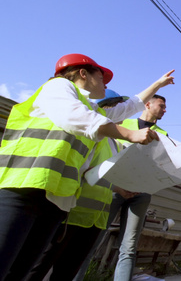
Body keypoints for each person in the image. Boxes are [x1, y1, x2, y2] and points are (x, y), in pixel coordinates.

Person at [0, 53, 174, 281]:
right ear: (83, 73)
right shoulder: (58, 86)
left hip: (56, 200)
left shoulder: (94, 110)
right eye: (102, 78)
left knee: (19, 272)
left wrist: (157, 84)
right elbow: (77, 117)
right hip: (23, 189)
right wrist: (131, 133)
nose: (105, 84)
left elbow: (128, 107)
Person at [26, 90, 134, 281]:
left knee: (66, 273)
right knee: (37, 269)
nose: (123, 114)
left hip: (95, 219)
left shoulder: (116, 145)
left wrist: (123, 186)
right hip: (71, 215)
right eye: (118, 109)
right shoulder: (88, 134)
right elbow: (84, 168)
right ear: (104, 108)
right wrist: (117, 187)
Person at [111, 94, 169, 281]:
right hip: (114, 187)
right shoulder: (122, 123)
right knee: (91, 240)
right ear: (148, 104)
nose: (164, 110)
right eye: (161, 105)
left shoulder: (163, 135)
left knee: (128, 247)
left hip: (141, 193)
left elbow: (160, 164)